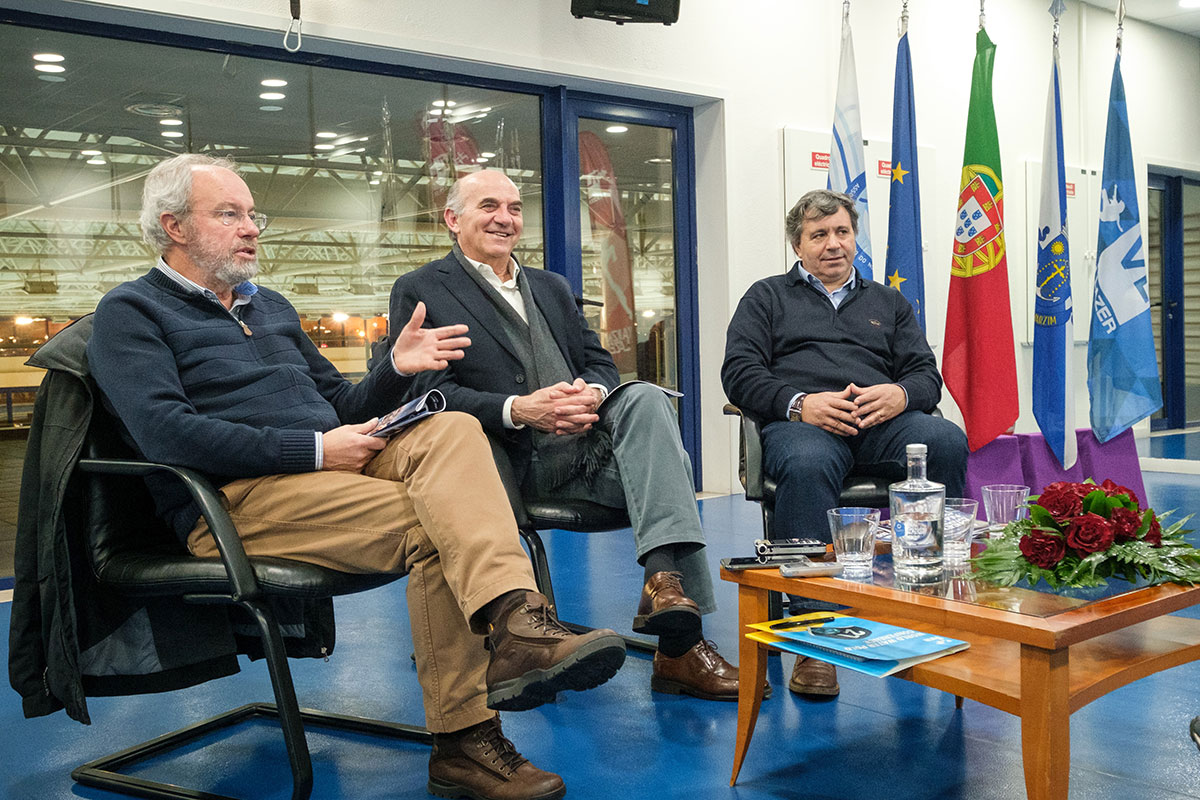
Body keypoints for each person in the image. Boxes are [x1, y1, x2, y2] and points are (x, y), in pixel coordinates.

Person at [87, 153, 627, 800]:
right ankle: (463, 742)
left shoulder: (271, 307)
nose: (251, 227)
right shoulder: (131, 313)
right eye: (229, 214)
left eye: (251, 214)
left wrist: (395, 371)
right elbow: (166, 433)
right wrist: (312, 450)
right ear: (174, 226)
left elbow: (342, 408)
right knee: (435, 527)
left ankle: (516, 621)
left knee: (454, 426)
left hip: (334, 463)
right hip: (234, 500)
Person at [389, 169, 747, 702]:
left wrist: (592, 395)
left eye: (513, 208)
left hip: (584, 453)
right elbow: (427, 397)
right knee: (470, 433)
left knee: (647, 397)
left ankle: (666, 594)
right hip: (502, 465)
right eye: (489, 206)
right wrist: (518, 409)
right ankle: (674, 649)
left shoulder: (552, 287)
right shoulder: (422, 289)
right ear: (452, 219)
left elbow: (600, 363)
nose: (504, 218)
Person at [721, 188, 968, 698]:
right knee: (808, 465)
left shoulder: (889, 302)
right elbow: (739, 374)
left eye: (842, 232)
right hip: (804, 424)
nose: (833, 244)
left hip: (881, 423)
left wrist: (900, 394)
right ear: (797, 245)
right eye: (818, 235)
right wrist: (798, 403)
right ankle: (816, 636)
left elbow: (925, 374)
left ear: (854, 237)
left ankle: (928, 604)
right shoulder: (765, 297)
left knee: (943, 440)